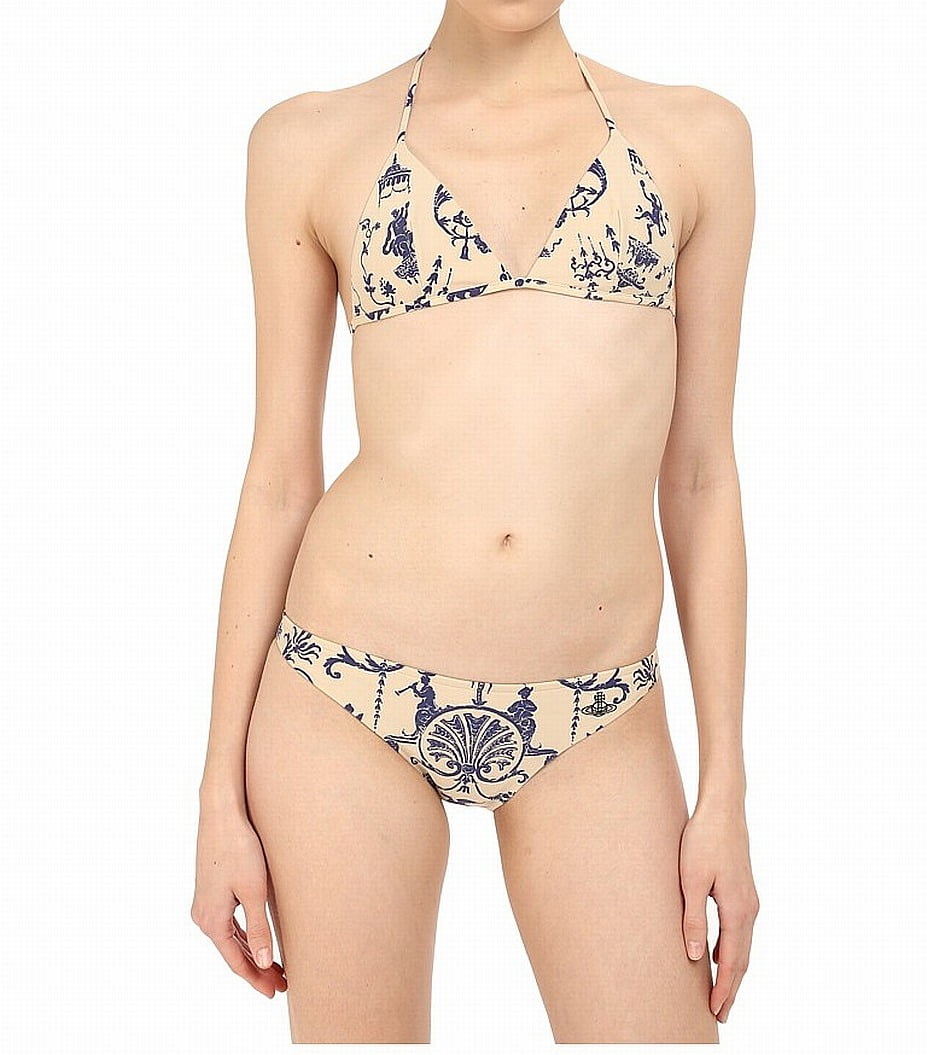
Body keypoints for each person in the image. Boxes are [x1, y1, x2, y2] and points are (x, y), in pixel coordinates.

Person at [191, 0, 758, 1043]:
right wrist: (215, 794)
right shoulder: (307, 141)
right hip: (345, 694)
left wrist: (724, 784)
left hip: (597, 710)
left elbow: (700, 478)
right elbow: (277, 477)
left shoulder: (696, 139)